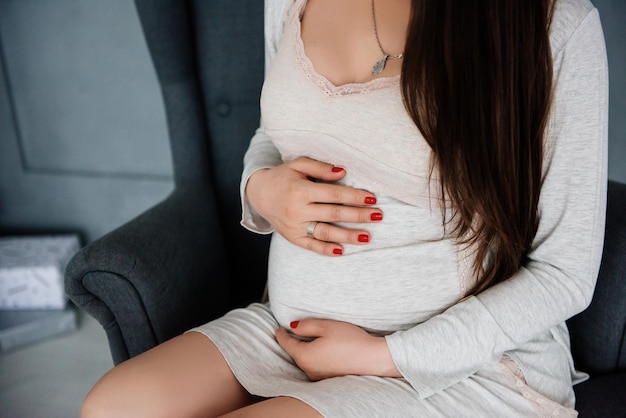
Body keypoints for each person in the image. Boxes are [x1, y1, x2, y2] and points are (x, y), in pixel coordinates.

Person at [81, 0, 608, 416]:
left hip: (460, 369)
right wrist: (259, 189)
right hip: (290, 334)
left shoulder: (555, 24)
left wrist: (384, 357)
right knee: (109, 409)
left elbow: (566, 275)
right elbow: (279, 129)